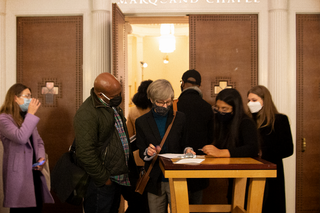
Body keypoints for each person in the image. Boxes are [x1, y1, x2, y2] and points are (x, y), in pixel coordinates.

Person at [73, 72, 138, 213]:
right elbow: (85, 152)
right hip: (101, 182)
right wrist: (104, 179)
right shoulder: (87, 113)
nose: (119, 98)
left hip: (119, 177)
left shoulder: (111, 106)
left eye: (119, 93)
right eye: (115, 96)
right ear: (101, 95)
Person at [135, 79, 195, 213]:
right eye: (160, 102)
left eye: (168, 102)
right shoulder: (142, 122)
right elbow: (141, 150)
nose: (164, 105)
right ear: (151, 99)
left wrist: (188, 149)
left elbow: (186, 142)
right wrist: (148, 152)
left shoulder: (180, 118)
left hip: (176, 176)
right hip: (155, 177)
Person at [0, 83, 54, 213]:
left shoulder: (26, 118)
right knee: (22, 210)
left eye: (31, 96)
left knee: (37, 208)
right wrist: (31, 114)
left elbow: (39, 142)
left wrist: (41, 159)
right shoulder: (3, 119)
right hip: (19, 175)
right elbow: (21, 137)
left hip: (34, 171)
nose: (30, 99)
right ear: (15, 98)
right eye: (27, 96)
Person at [202, 88, 259, 203]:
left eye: (225, 109)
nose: (220, 112)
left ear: (235, 109)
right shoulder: (222, 122)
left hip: (249, 178)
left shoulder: (245, 123)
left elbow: (252, 148)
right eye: (217, 108)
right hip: (235, 178)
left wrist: (222, 152)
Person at [247, 85, 293, 213]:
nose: (250, 103)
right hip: (252, 169)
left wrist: (263, 152)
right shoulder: (249, 121)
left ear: (264, 100)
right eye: (249, 100)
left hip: (272, 169)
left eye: (254, 100)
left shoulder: (280, 120)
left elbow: (288, 149)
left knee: (272, 204)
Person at [178, 69, 213, 205]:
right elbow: (211, 137)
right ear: (199, 85)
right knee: (196, 204)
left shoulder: (175, 105)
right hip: (200, 160)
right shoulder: (207, 107)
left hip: (177, 160)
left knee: (179, 203)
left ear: (183, 83)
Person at [123, 80, 153, 213]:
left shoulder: (133, 111)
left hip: (136, 158)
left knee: (137, 191)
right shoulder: (156, 111)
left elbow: (128, 136)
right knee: (150, 195)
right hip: (152, 157)